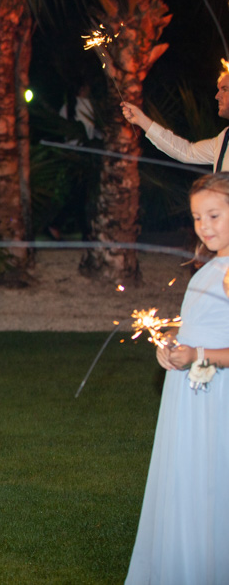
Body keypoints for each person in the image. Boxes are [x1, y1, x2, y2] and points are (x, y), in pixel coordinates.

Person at [125, 173, 229, 583]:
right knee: (186, 486)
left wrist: (198, 354)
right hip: (190, 392)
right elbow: (198, 326)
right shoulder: (212, 265)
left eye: (215, 215)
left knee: (209, 488)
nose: (204, 226)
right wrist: (170, 343)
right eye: (197, 217)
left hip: (217, 395)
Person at [121, 66, 229, 170]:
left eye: (224, 89)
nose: (217, 96)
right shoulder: (223, 138)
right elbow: (187, 152)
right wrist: (142, 120)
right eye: (219, 89)